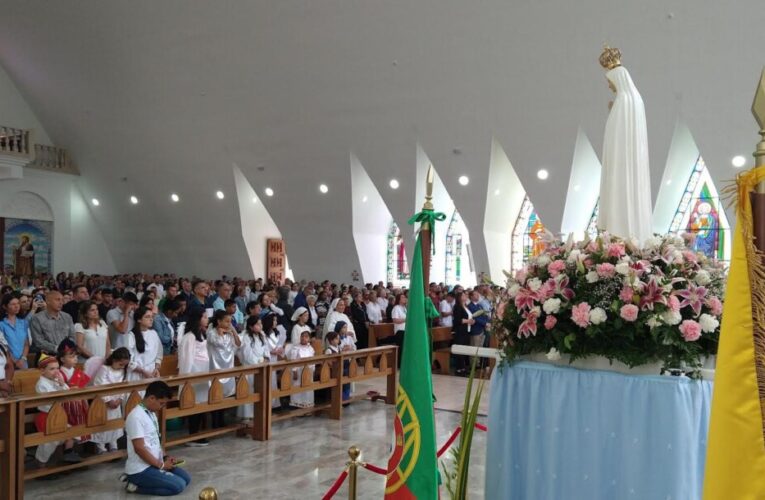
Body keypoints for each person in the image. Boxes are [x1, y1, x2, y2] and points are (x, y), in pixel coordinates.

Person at [122, 380, 191, 495]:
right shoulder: (135, 416)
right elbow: (139, 449)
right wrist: (161, 466)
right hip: (141, 469)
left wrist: (165, 457)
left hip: (154, 463)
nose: (162, 407)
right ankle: (134, 485)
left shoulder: (151, 413)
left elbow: (156, 441)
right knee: (178, 486)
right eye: (161, 403)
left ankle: (149, 478)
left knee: (186, 479)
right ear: (152, 398)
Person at [34, 354, 82, 466]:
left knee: (73, 433)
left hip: (58, 416)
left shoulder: (55, 380)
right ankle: (40, 464)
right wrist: (61, 389)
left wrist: (62, 383)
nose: (56, 371)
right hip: (47, 417)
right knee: (49, 442)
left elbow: (67, 394)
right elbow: (53, 400)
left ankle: (68, 453)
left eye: (57, 368)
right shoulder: (41, 384)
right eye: (51, 369)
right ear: (42, 371)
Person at [177, 309, 210, 446]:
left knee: (201, 404)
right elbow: (186, 359)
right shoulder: (189, 337)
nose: (207, 319)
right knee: (194, 404)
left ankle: (199, 433)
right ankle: (193, 435)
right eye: (204, 317)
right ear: (197, 319)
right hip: (193, 374)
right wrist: (186, 380)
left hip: (203, 372)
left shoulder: (201, 335)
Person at [91, 347, 130, 453]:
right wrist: (108, 400)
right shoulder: (104, 369)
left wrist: (119, 399)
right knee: (103, 424)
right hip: (104, 403)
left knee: (114, 425)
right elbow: (99, 384)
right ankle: (101, 447)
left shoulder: (122, 371)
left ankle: (113, 445)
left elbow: (123, 386)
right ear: (114, 360)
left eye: (124, 365)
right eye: (120, 364)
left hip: (116, 403)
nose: (122, 367)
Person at [206, 310, 240, 428]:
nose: (228, 324)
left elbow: (239, 344)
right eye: (226, 321)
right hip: (215, 367)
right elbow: (218, 343)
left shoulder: (229, 333)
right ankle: (215, 421)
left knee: (225, 395)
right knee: (215, 393)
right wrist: (220, 333)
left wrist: (234, 332)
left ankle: (222, 419)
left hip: (227, 368)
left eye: (230, 321)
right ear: (219, 321)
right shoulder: (211, 333)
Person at [56, 339, 91, 442]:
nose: (75, 359)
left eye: (76, 356)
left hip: (80, 401)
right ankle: (69, 449)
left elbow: (83, 388)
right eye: (71, 357)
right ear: (62, 359)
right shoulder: (59, 373)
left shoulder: (77, 371)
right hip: (67, 404)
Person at [236, 315, 268, 422]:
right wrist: (258, 362)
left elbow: (266, 350)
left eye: (261, 323)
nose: (260, 326)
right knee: (249, 390)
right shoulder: (246, 337)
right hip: (249, 367)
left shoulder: (262, 335)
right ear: (250, 326)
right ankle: (247, 415)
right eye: (258, 324)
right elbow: (247, 355)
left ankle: (258, 413)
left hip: (261, 366)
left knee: (260, 390)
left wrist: (265, 359)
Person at [30, 290, 76, 356]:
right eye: (57, 300)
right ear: (48, 301)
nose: (61, 302)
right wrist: (58, 349)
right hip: (47, 356)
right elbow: (39, 341)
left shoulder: (67, 317)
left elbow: (72, 336)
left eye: (62, 300)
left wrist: (67, 348)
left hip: (67, 355)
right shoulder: (37, 318)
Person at [126, 307, 163, 382]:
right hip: (137, 374)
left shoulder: (154, 333)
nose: (151, 319)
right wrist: (143, 371)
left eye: (152, 316)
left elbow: (159, 354)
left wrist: (156, 368)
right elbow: (129, 359)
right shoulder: (131, 335)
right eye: (147, 317)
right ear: (139, 320)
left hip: (152, 373)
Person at [0, 294, 30, 369]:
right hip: (7, 363)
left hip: (23, 362)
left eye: (18, 303)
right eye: (13, 304)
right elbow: (3, 346)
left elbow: (26, 344)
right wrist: (13, 360)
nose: (16, 306)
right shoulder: (1, 324)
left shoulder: (24, 323)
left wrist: (22, 359)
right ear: (4, 306)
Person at [287, 329, 315, 408]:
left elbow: (313, 360)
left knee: (307, 388)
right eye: (302, 336)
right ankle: (297, 405)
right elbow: (293, 361)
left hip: (308, 371)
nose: (303, 338)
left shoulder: (310, 348)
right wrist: (294, 371)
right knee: (298, 387)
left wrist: (312, 370)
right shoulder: (296, 348)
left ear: (309, 339)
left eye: (306, 337)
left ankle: (307, 405)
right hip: (298, 372)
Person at [452, 291, 475, 376]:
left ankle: (464, 368)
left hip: (466, 331)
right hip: (460, 331)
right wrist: (467, 321)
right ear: (459, 297)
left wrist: (471, 321)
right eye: (463, 295)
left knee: (465, 349)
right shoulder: (457, 307)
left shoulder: (465, 306)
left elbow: (468, 317)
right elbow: (457, 320)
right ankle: (459, 369)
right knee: (460, 350)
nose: (465, 296)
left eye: (465, 295)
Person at [391, 293, 407, 361]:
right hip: (400, 331)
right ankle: (399, 364)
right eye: (403, 297)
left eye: (405, 297)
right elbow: (395, 320)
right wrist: (406, 319)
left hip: (406, 330)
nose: (405, 299)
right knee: (401, 348)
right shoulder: (396, 308)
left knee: (405, 348)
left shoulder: (405, 308)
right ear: (399, 300)